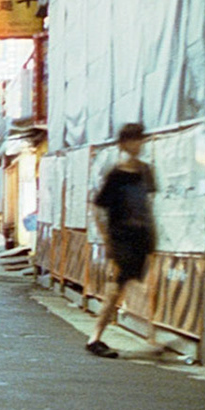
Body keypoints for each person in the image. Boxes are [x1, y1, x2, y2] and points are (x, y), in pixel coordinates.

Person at [86, 122, 159, 358]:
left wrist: (153, 236)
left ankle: (149, 337)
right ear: (124, 143)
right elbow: (98, 208)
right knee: (116, 289)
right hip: (122, 239)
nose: (138, 144)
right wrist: (108, 241)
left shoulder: (146, 171)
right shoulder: (116, 174)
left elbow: (148, 206)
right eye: (134, 139)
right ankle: (95, 337)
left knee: (133, 286)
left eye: (140, 139)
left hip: (141, 238)